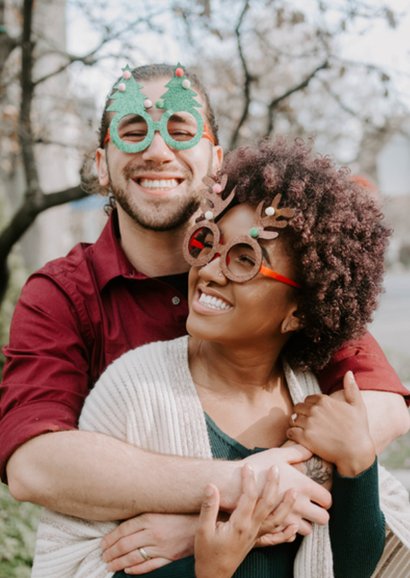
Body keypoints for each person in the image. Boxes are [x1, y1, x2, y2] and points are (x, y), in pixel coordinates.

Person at [0, 63, 408, 552]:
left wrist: (243, 509)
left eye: (180, 130)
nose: (156, 150)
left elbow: (379, 405)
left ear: (216, 160)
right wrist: (234, 490)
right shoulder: (62, 293)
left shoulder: (279, 263)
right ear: (101, 165)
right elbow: (34, 464)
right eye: (133, 132)